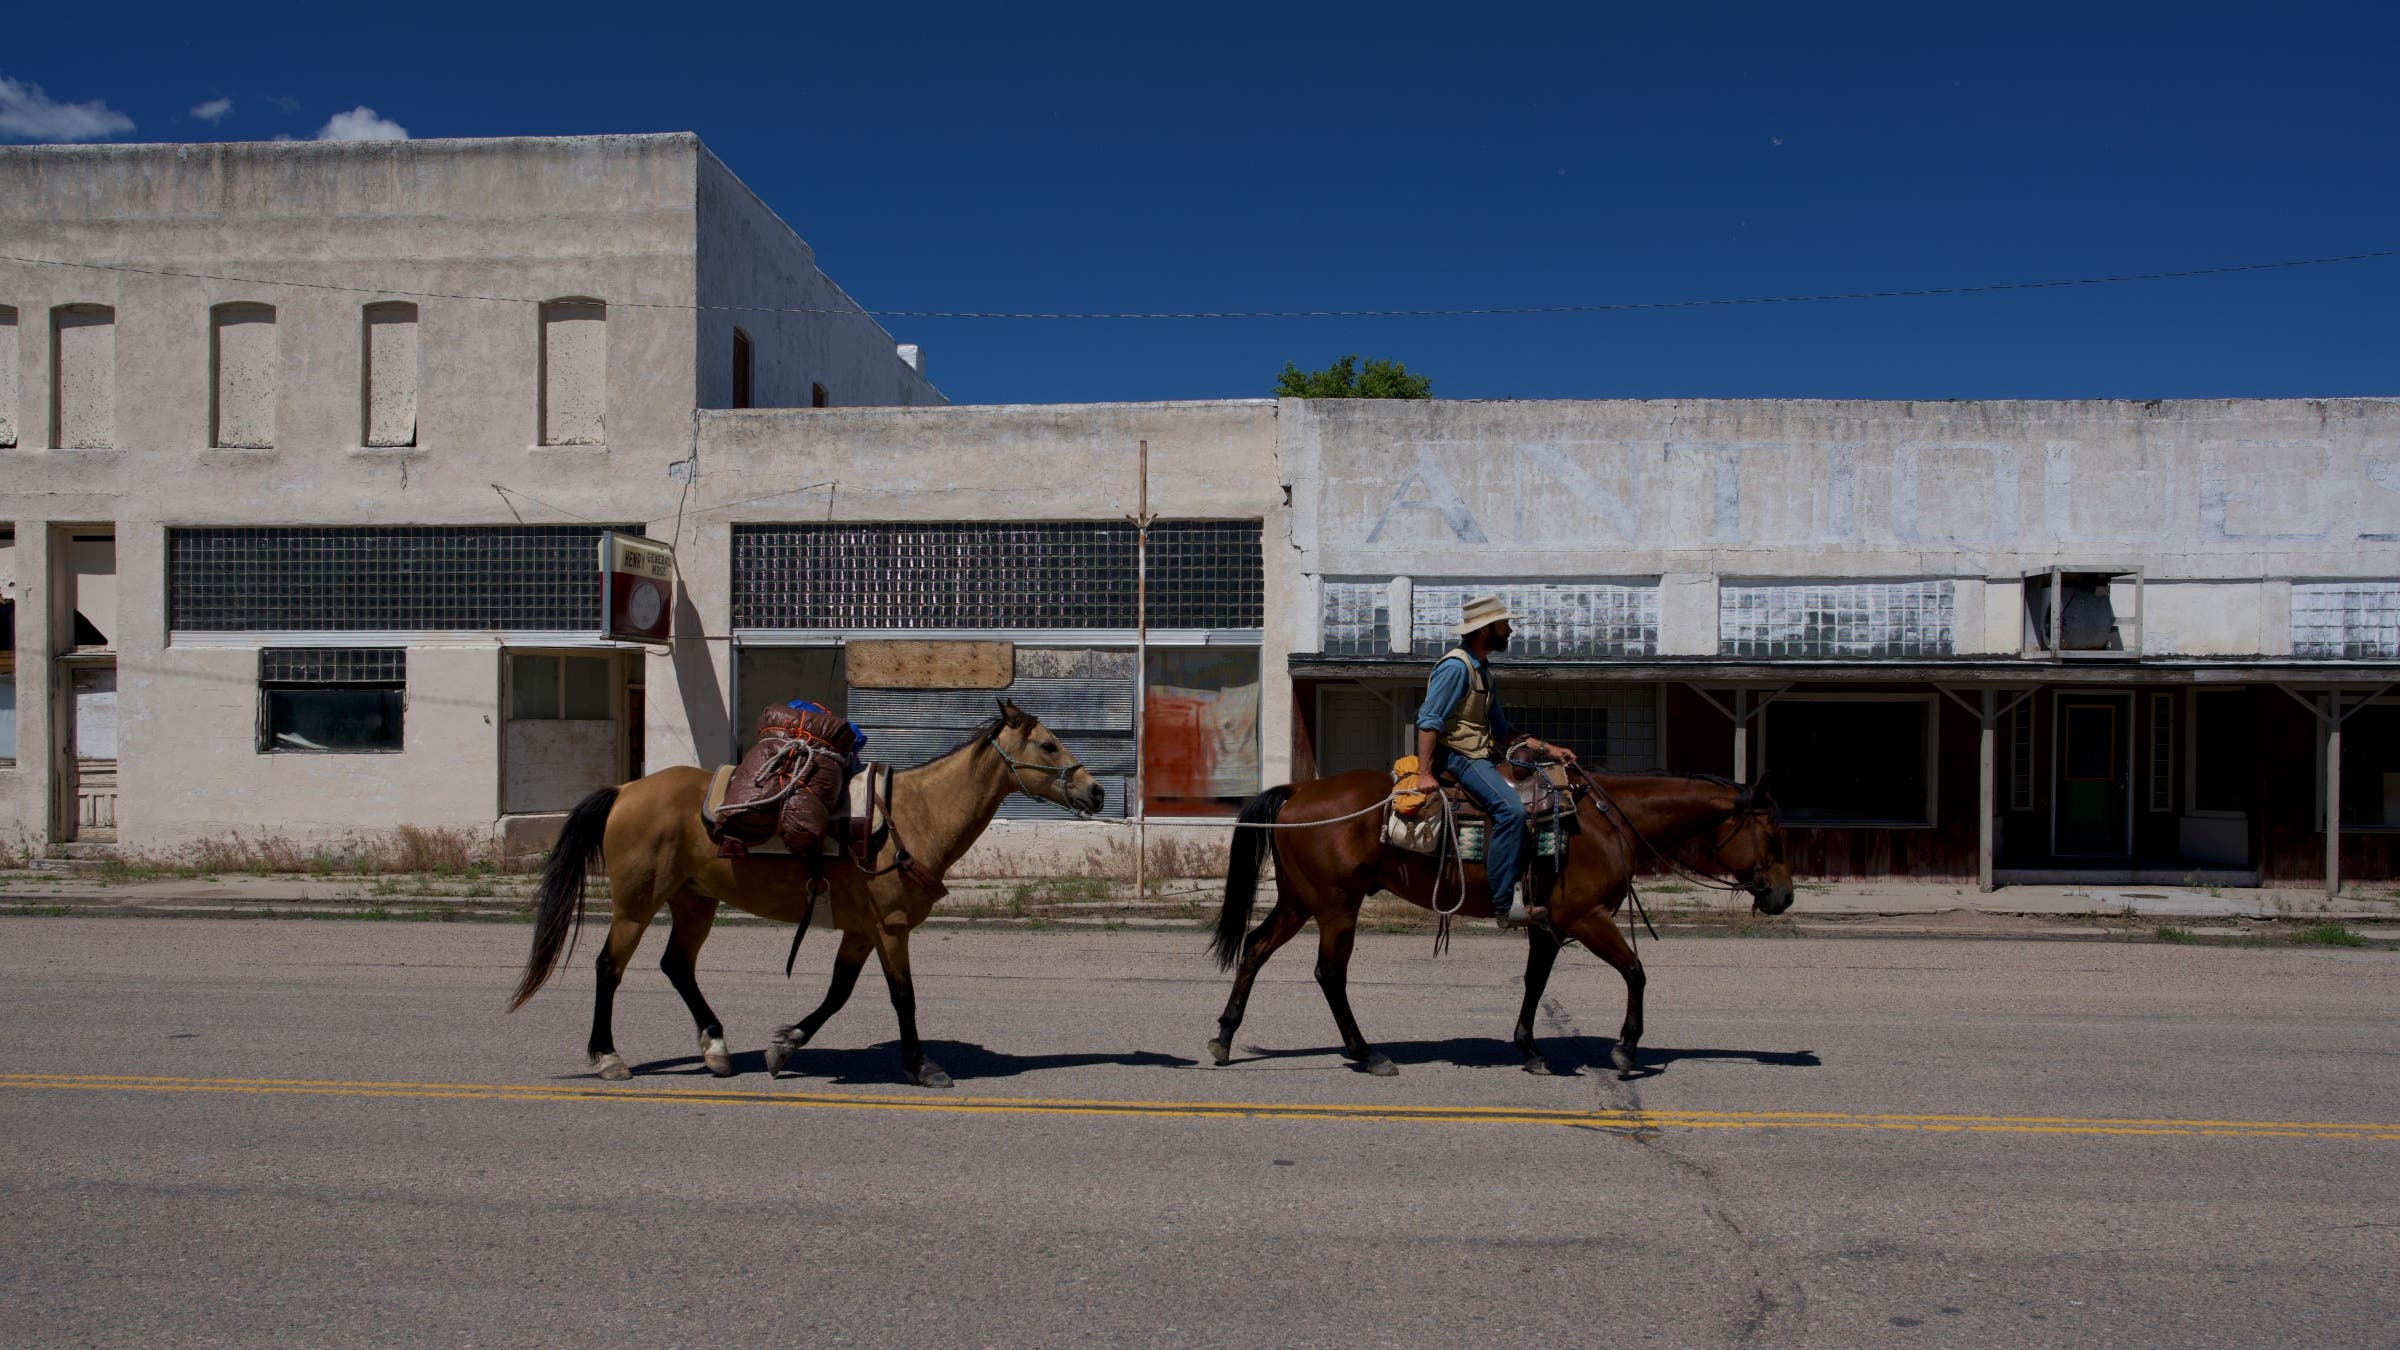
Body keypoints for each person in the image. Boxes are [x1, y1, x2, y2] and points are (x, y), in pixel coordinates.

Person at [1412, 595, 1578, 927]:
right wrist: (1424, 772)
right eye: (1504, 625)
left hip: (1480, 755)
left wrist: (1548, 749)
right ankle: (1504, 905)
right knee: (1510, 810)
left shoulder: (1483, 670)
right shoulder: (1456, 667)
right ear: (1484, 630)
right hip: (1459, 756)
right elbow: (1429, 720)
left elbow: (1502, 729)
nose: (1510, 631)